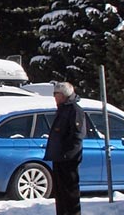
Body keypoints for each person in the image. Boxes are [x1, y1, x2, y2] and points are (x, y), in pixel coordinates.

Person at [44, 81, 86, 215]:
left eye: (57, 95)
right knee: (60, 193)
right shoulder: (62, 109)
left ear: (64, 95)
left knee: (70, 193)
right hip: (59, 158)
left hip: (68, 160)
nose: (55, 98)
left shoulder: (74, 110)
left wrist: (68, 154)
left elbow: (77, 135)